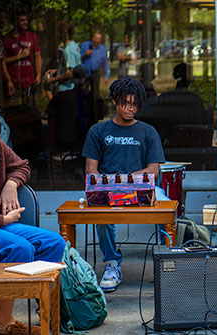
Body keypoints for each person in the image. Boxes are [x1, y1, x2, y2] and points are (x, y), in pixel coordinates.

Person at [0, 92, 66, 335]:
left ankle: (47, 318)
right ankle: (2, 321)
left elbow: (22, 166)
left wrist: (11, 184)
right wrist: (1, 219)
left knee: (53, 243)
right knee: (20, 248)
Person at [82, 77, 170, 292]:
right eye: (126, 103)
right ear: (114, 101)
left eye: (135, 104)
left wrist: (124, 180)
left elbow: (153, 170)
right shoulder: (98, 131)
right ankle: (112, 264)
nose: (131, 108)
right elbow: (91, 170)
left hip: (142, 188)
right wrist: (108, 185)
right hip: (107, 188)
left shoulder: (148, 132)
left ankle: (167, 261)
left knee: (167, 207)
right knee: (100, 210)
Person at [2, 11, 42, 105]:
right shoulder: (6, 39)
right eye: (22, 20)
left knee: (30, 111)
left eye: (26, 20)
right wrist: (19, 56)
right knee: (15, 112)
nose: (26, 22)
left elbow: (37, 56)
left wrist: (39, 73)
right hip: (14, 82)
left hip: (29, 81)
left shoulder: (32, 36)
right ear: (15, 23)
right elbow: (3, 61)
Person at [80, 31, 109, 120]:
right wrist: (85, 54)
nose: (97, 40)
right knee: (83, 91)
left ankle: (94, 115)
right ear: (92, 38)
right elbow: (78, 57)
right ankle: (83, 114)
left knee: (95, 94)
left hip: (96, 72)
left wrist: (107, 76)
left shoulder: (102, 49)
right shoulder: (85, 45)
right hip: (85, 72)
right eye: (96, 38)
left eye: (99, 39)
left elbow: (105, 63)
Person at [44, 23, 80, 94]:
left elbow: (70, 73)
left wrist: (52, 80)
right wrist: (58, 70)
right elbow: (73, 67)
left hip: (67, 90)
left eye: (58, 32)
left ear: (63, 34)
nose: (57, 35)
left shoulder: (68, 50)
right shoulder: (75, 46)